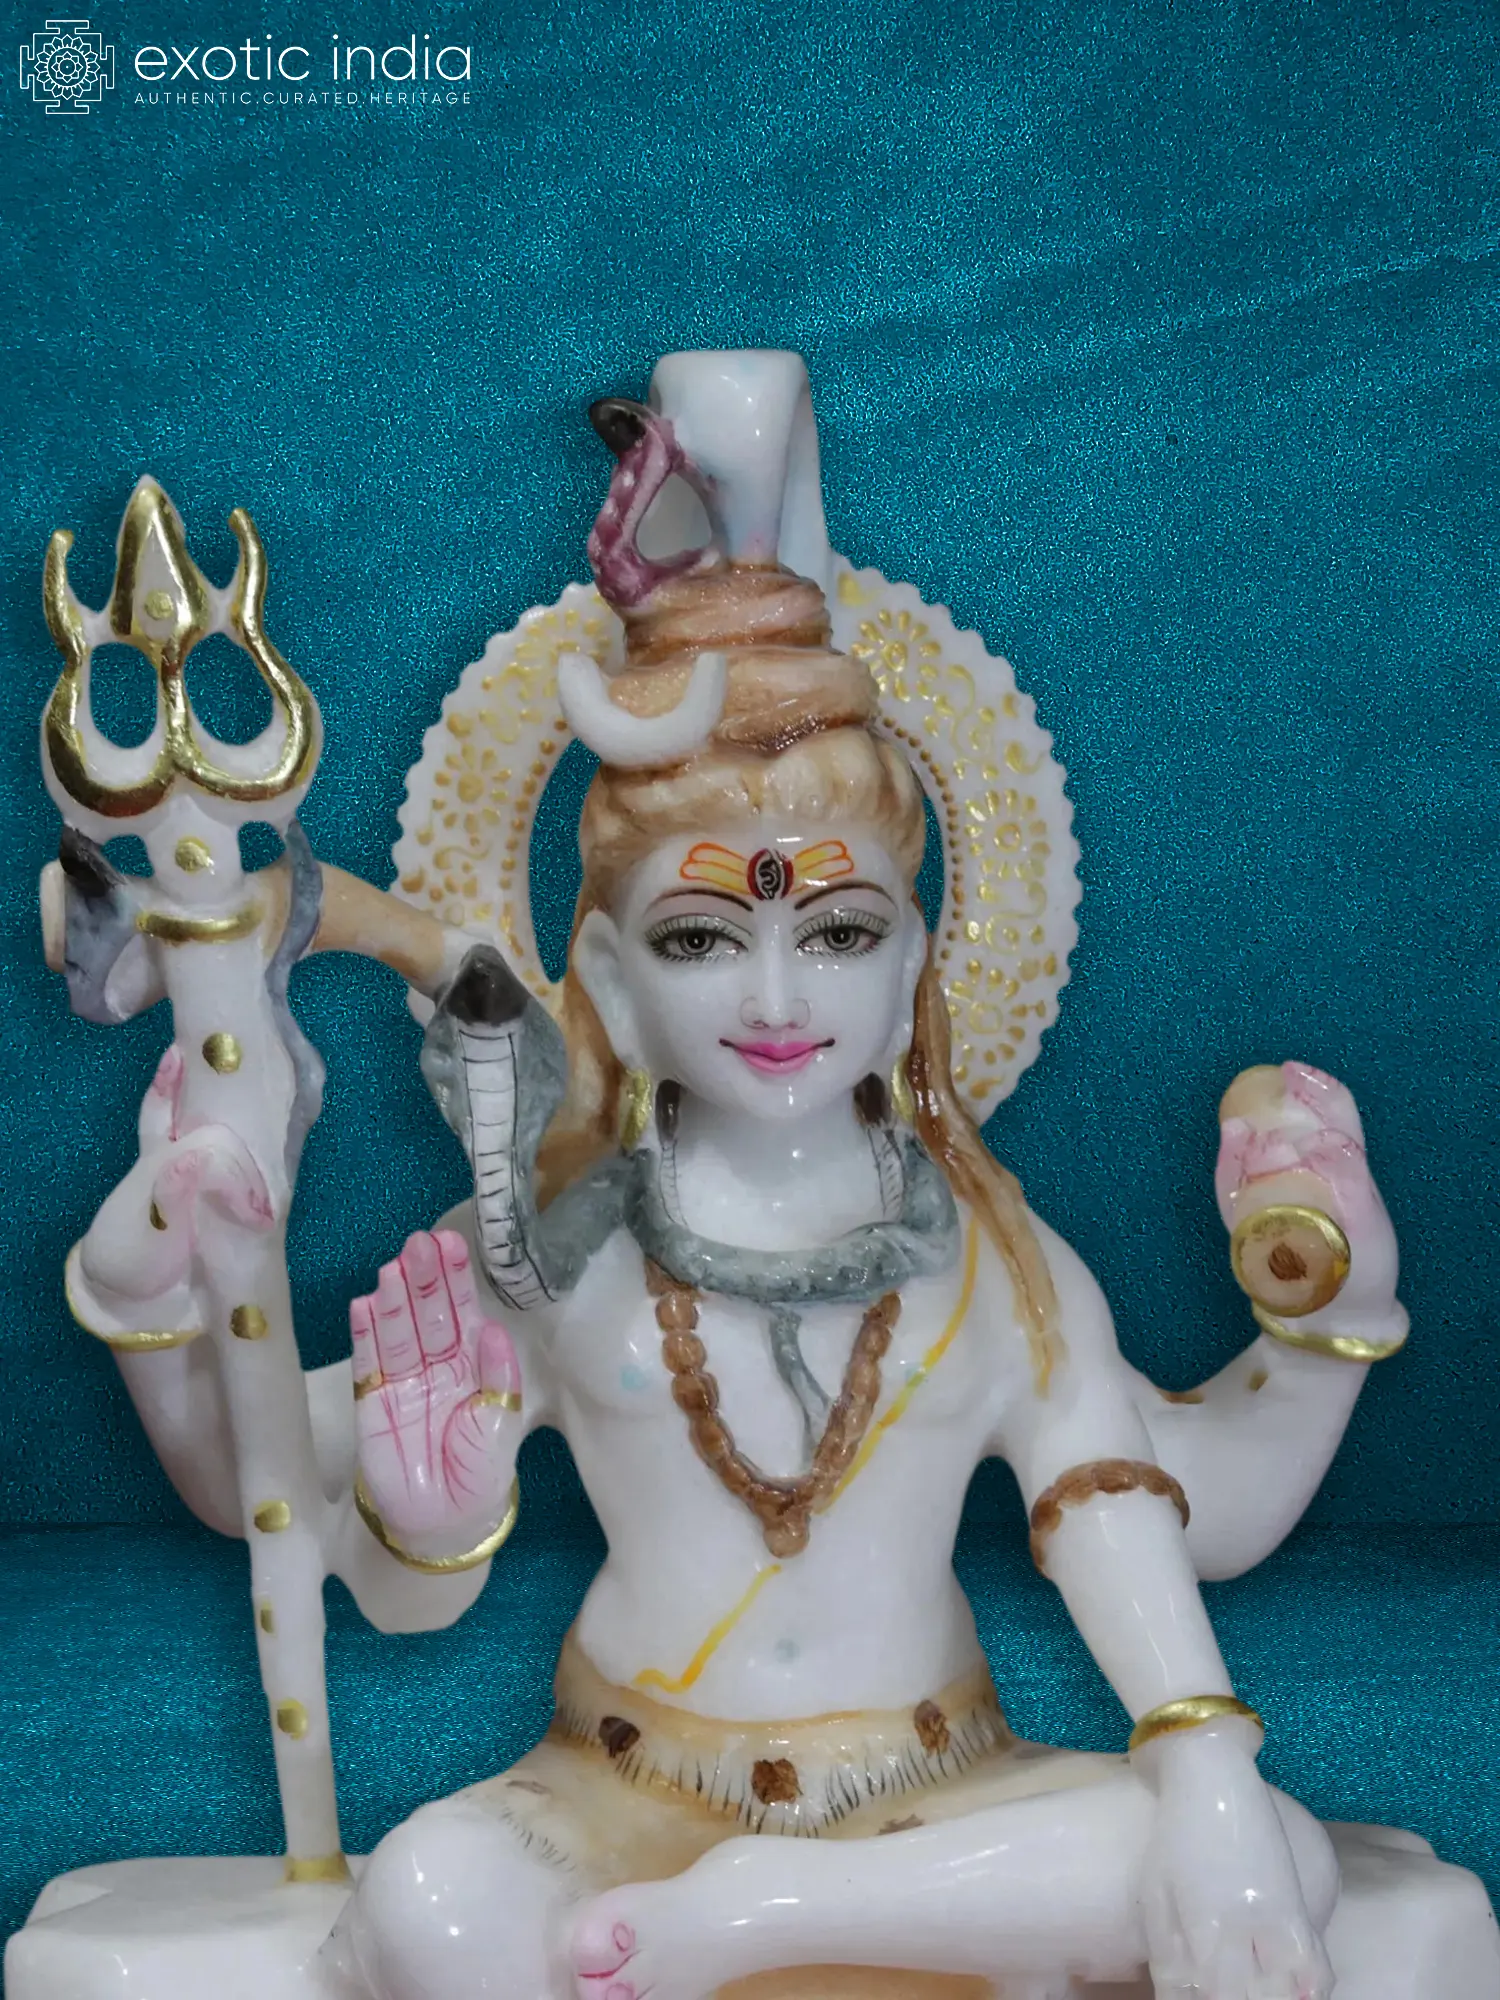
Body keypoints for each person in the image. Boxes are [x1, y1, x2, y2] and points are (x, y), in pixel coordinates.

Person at [320, 357, 1412, 2000]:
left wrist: (1327, 1329)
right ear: (607, 981)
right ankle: (777, 1912)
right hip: (617, 1791)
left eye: (837, 933)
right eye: (703, 939)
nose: (777, 999)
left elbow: (1161, 1510)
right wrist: (421, 1522)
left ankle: (774, 1916)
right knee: (425, 1904)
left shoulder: (986, 1254)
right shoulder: (554, 1244)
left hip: (930, 1794)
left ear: (917, 968)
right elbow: (301, 1522)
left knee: (1279, 1852)